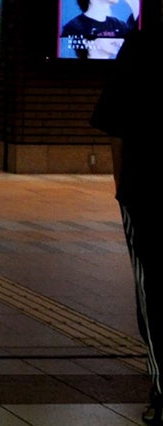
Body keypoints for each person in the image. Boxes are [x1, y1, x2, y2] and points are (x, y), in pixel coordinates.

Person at [93, 28, 163, 426]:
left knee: (152, 292)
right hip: (141, 190)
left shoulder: (141, 44)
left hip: (145, 190)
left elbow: (114, 126)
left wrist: (122, 187)